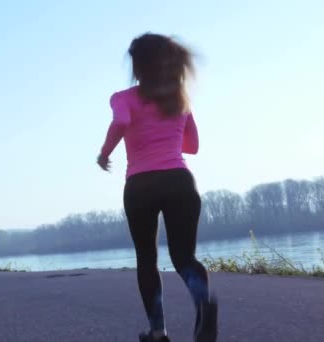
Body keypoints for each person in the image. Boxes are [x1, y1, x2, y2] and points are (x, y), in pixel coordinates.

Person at [97, 33, 218, 342]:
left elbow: (121, 121)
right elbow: (192, 146)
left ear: (137, 67)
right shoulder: (179, 101)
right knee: (184, 258)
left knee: (147, 260)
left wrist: (105, 153)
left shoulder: (123, 98)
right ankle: (203, 299)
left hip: (141, 185)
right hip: (179, 181)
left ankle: (158, 332)